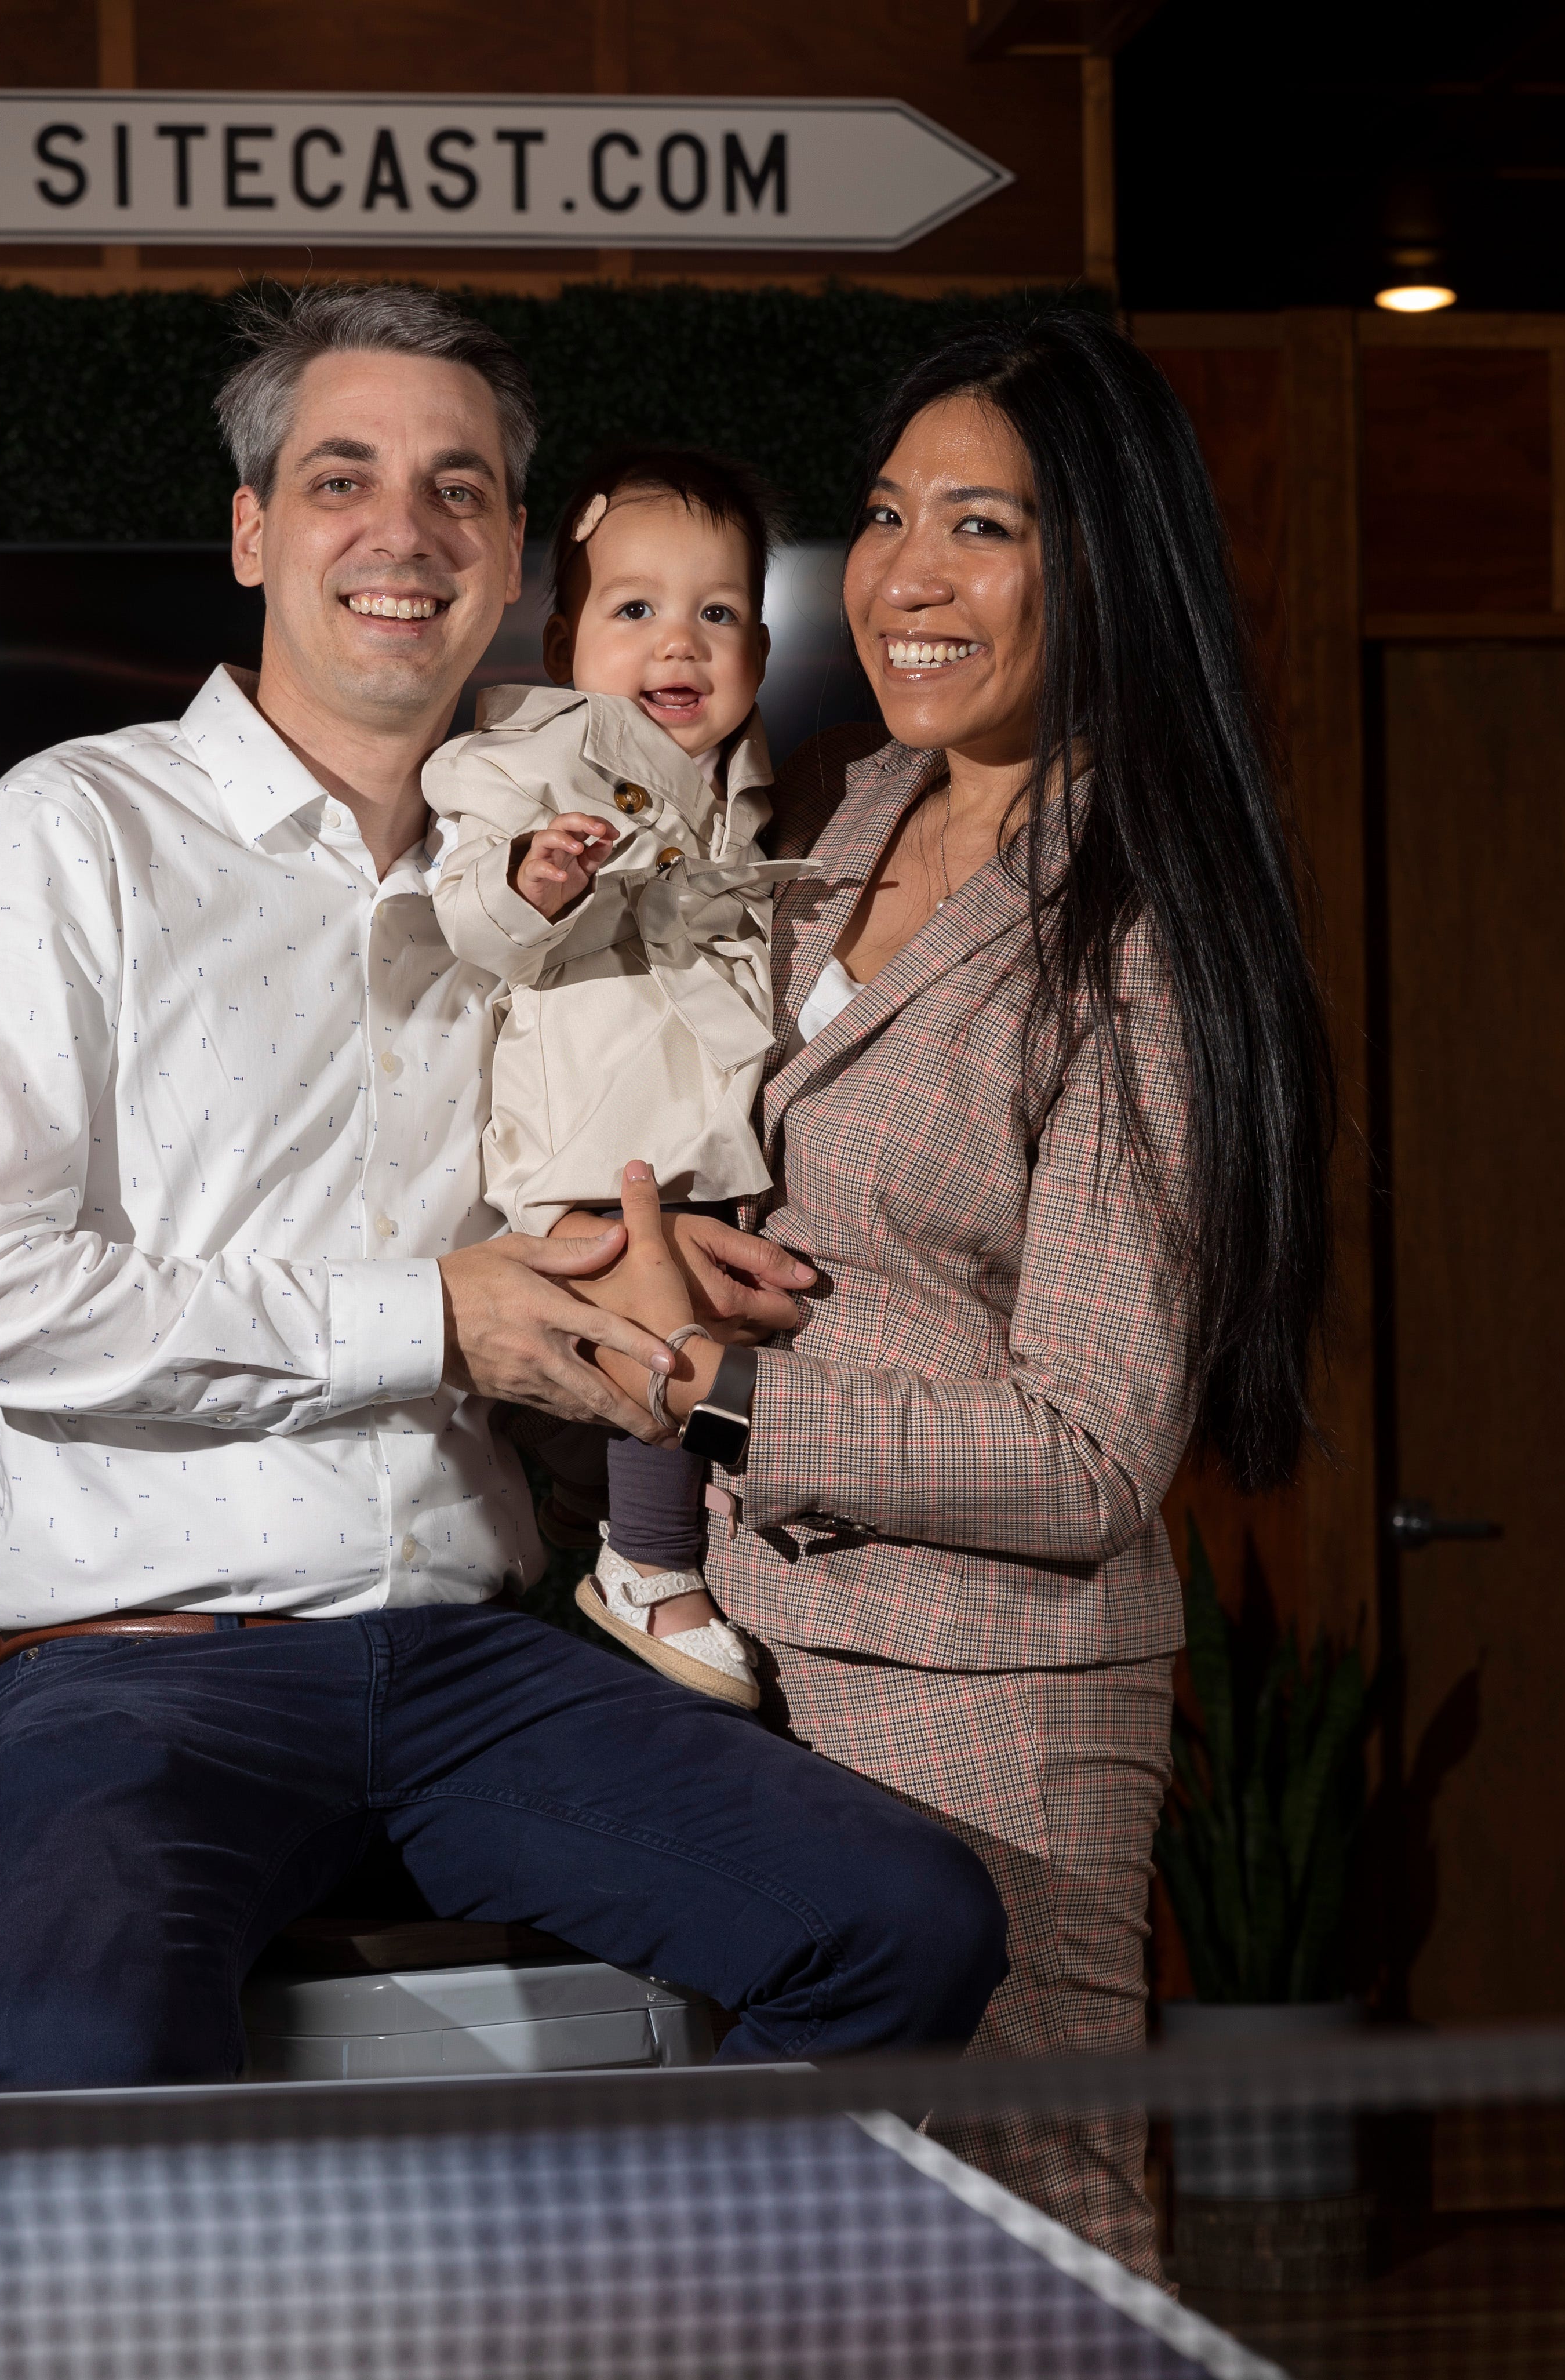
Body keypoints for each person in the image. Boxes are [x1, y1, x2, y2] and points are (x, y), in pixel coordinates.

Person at [0, 281, 1007, 2090]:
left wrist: (588, 1257)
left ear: (511, 562)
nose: (403, 531)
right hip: (138, 1680)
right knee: (86, 2081)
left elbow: (514, 1200)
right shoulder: (69, 832)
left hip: (476, 1669)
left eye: (458, 489)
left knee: (907, 1925)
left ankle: (632, 2348)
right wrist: (437, 1318)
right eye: (341, 479)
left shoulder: (575, 874)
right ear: (253, 530)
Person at [565, 314, 1335, 2281]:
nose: (904, 574)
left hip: (986, 1724)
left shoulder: (1137, 928)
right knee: (815, 2299)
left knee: (1026, 2278)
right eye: (890, 514)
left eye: (977, 526)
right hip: (752, 1671)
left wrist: (703, 1391)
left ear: (1103, 562)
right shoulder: (841, 816)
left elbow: (1083, 1460)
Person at [425, 446, 806, 1712]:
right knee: (661, 1330)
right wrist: (538, 877)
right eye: (634, 609)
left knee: (687, 1339)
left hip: (688, 1130)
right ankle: (652, 1565)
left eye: (718, 613)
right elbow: (472, 913)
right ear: (564, 637)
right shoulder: (528, 757)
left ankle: (605, 1516)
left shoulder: (749, 787)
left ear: (760, 644)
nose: (678, 644)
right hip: (593, 1133)